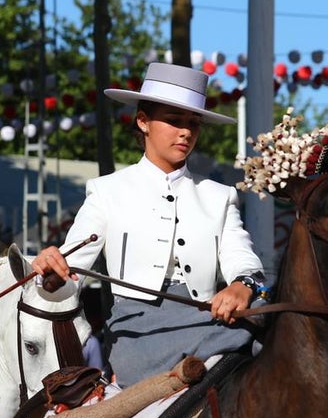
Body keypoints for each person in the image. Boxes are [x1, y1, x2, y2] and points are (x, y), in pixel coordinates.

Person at [32, 62, 265, 388]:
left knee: (271, 311)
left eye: (193, 124)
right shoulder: (106, 191)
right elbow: (71, 269)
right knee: (263, 332)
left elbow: (242, 257)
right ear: (142, 121)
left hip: (211, 320)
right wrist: (51, 275)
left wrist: (243, 285)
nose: (186, 132)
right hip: (138, 333)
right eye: (173, 121)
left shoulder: (220, 196)